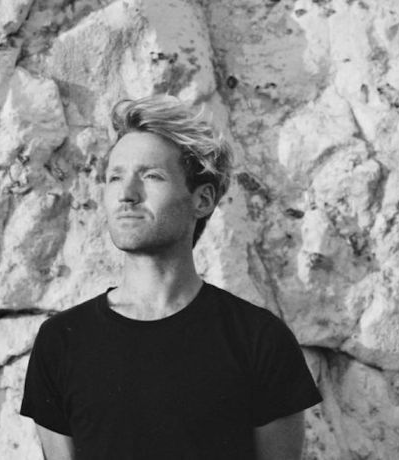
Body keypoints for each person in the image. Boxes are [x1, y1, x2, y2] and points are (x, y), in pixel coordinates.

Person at [20, 95, 322, 459]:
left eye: (151, 176)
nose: (127, 194)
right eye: (115, 177)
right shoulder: (61, 342)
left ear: (202, 200)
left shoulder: (259, 340)